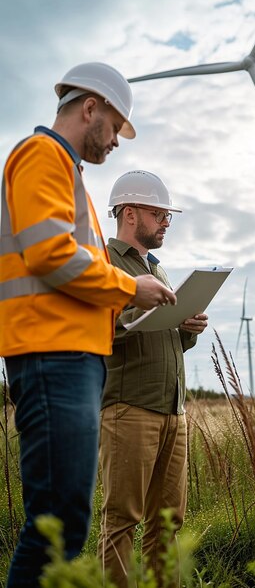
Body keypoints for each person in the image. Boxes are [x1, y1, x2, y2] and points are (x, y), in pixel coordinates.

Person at [0, 63, 176, 588]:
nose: (118, 141)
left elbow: (72, 272)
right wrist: (130, 289)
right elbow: (52, 255)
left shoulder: (66, 174)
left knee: (62, 525)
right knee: (57, 528)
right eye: (117, 126)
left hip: (69, 358)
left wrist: (142, 310)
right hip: (52, 357)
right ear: (90, 108)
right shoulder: (43, 156)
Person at [97, 170, 208, 587]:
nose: (166, 221)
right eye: (158, 213)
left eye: (167, 215)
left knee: (167, 522)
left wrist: (185, 328)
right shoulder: (104, 262)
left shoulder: (156, 270)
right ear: (129, 213)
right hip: (128, 409)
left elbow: (164, 340)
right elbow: (95, 326)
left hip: (173, 412)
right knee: (122, 520)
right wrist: (137, 316)